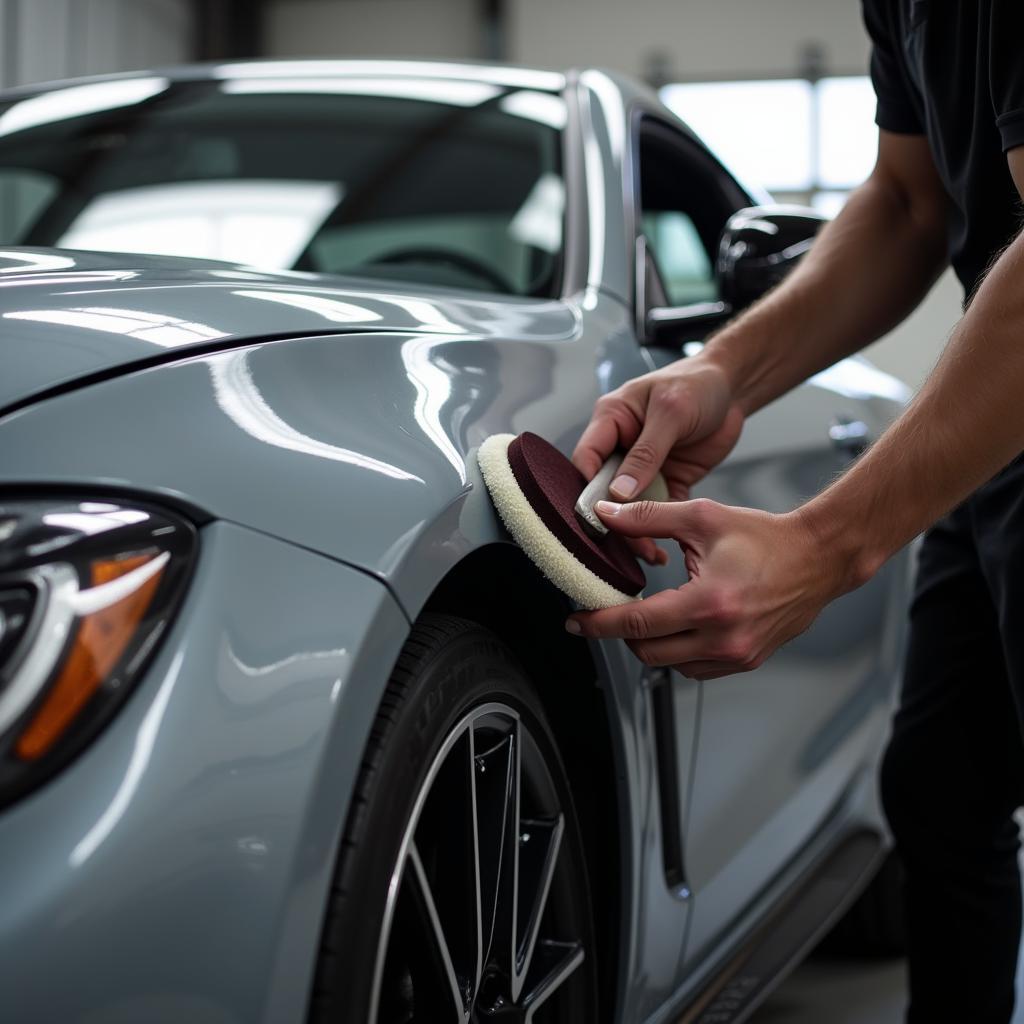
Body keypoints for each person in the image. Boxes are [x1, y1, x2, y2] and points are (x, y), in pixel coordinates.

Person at [565, 2, 1024, 1021]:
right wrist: (722, 366)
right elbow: (908, 203)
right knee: (942, 798)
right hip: (1001, 422)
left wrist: (822, 545)